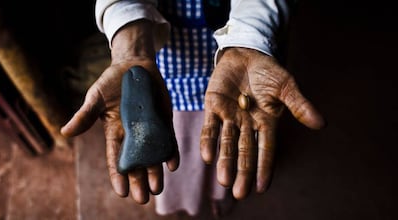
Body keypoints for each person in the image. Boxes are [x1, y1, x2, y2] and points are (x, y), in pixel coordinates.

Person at [61, 0, 326, 217]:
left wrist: (249, 39)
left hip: (238, 60)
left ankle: (215, 194)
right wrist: (130, 43)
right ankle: (184, 202)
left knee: (227, 143)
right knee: (181, 152)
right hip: (168, 69)